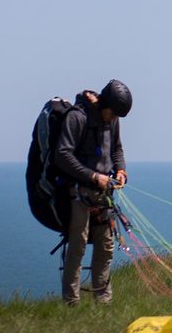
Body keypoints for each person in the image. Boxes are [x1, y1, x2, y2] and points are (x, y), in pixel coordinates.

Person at [52, 79, 131, 306]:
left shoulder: (112, 118)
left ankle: (103, 303)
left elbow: (117, 148)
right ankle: (71, 303)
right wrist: (94, 176)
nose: (114, 120)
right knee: (77, 247)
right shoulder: (77, 117)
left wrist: (121, 170)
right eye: (113, 114)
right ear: (105, 105)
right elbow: (62, 155)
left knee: (106, 247)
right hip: (78, 193)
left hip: (104, 195)